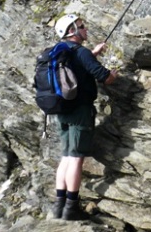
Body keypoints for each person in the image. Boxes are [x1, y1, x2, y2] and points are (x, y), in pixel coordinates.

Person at [51, 14, 118, 221]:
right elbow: (104, 77)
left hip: (61, 111)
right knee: (76, 159)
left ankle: (58, 206)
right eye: (81, 26)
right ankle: (71, 207)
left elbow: (78, 70)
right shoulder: (81, 52)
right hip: (81, 111)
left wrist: (92, 54)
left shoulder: (60, 52)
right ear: (72, 31)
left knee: (66, 156)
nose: (85, 29)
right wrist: (113, 75)